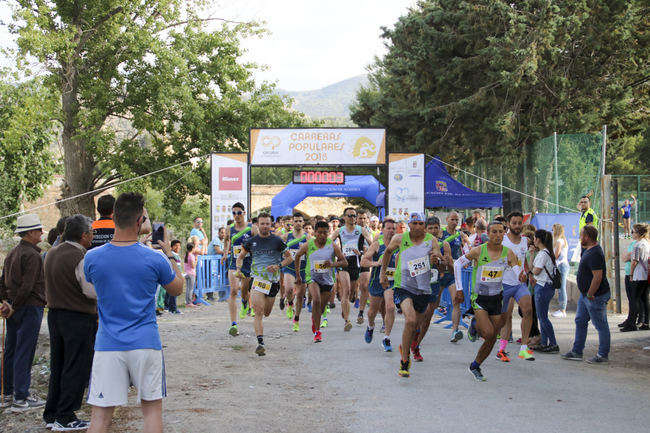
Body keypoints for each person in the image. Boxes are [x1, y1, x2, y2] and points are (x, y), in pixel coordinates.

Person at [84, 192, 183, 433]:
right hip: (145, 343)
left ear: (114, 217)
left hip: (108, 344)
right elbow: (177, 288)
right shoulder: (155, 258)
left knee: (99, 417)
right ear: (140, 221)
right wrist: (169, 253)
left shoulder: (92, 257)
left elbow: (91, 285)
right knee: (151, 412)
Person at [43, 215, 97, 430]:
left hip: (55, 314)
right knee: (76, 366)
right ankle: (66, 415)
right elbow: (89, 290)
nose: (93, 236)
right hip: (77, 316)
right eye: (91, 232)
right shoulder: (80, 256)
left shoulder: (52, 253)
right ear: (84, 235)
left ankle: (52, 413)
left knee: (58, 365)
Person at [454, 221, 520, 381]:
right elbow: (457, 264)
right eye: (494, 232)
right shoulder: (478, 251)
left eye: (500, 232)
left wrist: (521, 275)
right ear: (488, 234)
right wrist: (459, 289)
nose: (498, 235)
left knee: (492, 336)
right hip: (479, 298)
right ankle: (476, 324)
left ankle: (475, 365)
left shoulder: (508, 253)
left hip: (497, 298)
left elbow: (517, 268)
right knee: (490, 333)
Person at [380, 212, 441, 378]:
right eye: (415, 223)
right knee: (411, 319)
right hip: (404, 286)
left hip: (423, 288)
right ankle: (404, 361)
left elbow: (439, 258)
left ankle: (406, 346)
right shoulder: (400, 239)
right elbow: (387, 253)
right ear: (409, 225)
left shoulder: (431, 240)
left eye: (421, 224)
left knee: (416, 325)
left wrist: (437, 259)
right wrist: (382, 273)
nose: (418, 227)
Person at [0, 214, 47, 411]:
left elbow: (2, 280)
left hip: (14, 305)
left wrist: (5, 303)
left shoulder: (13, 253)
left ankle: (8, 393)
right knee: (24, 351)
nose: (41, 233)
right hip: (28, 306)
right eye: (38, 230)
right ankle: (21, 396)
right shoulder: (32, 255)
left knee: (11, 350)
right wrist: (15, 306)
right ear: (29, 233)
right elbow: (28, 287)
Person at [236, 213, 292, 356]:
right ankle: (260, 342)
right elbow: (240, 257)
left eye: (267, 224)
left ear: (271, 225)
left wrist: (278, 266)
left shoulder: (277, 241)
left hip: (272, 282)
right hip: (258, 280)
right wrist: (238, 269)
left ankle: (261, 339)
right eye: (262, 223)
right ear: (258, 225)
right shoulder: (251, 242)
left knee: (266, 312)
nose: (265, 226)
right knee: (258, 312)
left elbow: (290, 258)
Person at [561, 226, 611, 364]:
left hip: (594, 296)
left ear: (587, 237)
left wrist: (590, 293)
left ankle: (602, 355)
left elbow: (598, 277)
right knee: (580, 321)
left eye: (581, 235)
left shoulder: (594, 253)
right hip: (586, 295)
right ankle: (577, 351)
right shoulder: (589, 250)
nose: (579, 237)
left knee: (601, 324)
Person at [294, 221, 347, 342]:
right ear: (315, 233)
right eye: (319, 233)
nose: (322, 235)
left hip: (327, 280)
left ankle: (315, 318)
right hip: (312, 277)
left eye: (325, 233)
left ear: (328, 233)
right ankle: (318, 332)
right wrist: (298, 275)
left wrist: (333, 264)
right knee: (316, 300)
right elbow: (297, 256)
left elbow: (344, 262)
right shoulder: (308, 245)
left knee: (321, 308)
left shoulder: (332, 245)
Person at [409, 216, 450, 361]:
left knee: (427, 318)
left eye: (436, 228)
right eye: (430, 228)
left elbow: (446, 267)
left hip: (434, 284)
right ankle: (410, 341)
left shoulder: (444, 245)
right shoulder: (418, 244)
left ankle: (416, 345)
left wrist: (441, 261)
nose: (433, 231)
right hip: (417, 285)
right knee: (417, 318)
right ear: (425, 229)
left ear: (440, 229)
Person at [497, 211, 535, 362]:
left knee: (528, 309)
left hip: (520, 284)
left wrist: (528, 274)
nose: (518, 226)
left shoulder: (525, 241)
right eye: (514, 223)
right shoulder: (502, 240)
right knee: (505, 317)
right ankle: (501, 349)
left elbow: (524, 262)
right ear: (508, 224)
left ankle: (524, 348)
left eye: (520, 223)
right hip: (504, 283)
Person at [331, 207, 373, 332]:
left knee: (354, 293)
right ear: (344, 218)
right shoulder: (340, 231)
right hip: (344, 263)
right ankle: (347, 321)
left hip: (357, 262)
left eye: (354, 216)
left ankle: (359, 311)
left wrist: (363, 252)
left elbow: (372, 244)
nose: (353, 218)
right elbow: (328, 242)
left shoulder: (361, 230)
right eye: (350, 216)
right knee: (346, 290)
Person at [361, 218, 399, 352]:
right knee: (372, 312)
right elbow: (363, 262)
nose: (391, 231)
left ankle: (386, 338)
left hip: (392, 281)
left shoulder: (399, 244)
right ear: (382, 230)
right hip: (377, 281)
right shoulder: (377, 244)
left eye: (393, 228)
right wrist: (377, 263)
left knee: (390, 307)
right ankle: (370, 327)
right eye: (388, 228)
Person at [223, 202, 258, 336]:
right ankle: (233, 324)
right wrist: (226, 253)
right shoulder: (229, 228)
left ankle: (245, 302)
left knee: (244, 291)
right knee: (233, 290)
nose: (236, 215)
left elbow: (259, 243)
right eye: (234, 213)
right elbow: (226, 240)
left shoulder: (252, 228)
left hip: (248, 262)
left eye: (239, 213)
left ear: (244, 213)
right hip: (234, 262)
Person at [440, 212, 468, 343]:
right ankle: (420, 327)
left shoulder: (460, 235)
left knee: (456, 300)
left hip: (453, 273)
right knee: (432, 304)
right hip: (440, 272)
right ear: (447, 220)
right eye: (452, 219)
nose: (455, 222)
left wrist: (465, 259)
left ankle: (455, 331)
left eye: (457, 220)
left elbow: (467, 247)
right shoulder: (441, 233)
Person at [530, 229, 560, 353]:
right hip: (546, 287)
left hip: (542, 287)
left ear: (538, 239)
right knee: (542, 316)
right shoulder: (546, 252)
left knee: (543, 317)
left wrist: (529, 272)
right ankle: (544, 342)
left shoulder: (543, 254)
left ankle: (552, 343)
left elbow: (535, 270)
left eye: (535, 238)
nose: (533, 241)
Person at [281, 213, 309, 331]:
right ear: (292, 222)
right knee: (288, 289)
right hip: (289, 268)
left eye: (300, 221)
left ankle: (296, 319)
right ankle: (290, 303)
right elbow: (279, 248)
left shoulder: (307, 237)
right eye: (296, 221)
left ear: (303, 223)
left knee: (300, 296)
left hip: (302, 269)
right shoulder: (286, 236)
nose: (298, 223)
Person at [620, 224, 649, 332]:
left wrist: (631, 274)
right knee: (644, 299)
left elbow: (634, 261)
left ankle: (631, 324)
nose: (632, 234)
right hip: (646, 275)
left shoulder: (638, 245)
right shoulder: (646, 243)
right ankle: (646, 322)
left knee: (634, 300)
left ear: (638, 234)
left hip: (638, 275)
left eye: (633, 232)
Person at [356, 209, 373, 324]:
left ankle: (361, 312)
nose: (362, 220)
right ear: (356, 219)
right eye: (360, 218)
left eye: (364, 218)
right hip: (351, 260)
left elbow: (372, 244)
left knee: (364, 285)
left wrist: (367, 250)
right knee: (352, 289)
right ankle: (352, 297)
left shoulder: (368, 231)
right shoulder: (350, 230)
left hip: (364, 259)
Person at [552, 223, 570, 317]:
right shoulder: (563, 240)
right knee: (560, 287)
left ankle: (563, 310)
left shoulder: (559, 241)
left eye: (553, 230)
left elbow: (556, 254)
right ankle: (562, 308)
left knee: (561, 287)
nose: (552, 231)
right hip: (562, 265)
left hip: (561, 265)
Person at [165, 240, 183, 314]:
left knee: (170, 293)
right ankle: (172, 308)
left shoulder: (177, 255)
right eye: (175, 245)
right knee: (173, 293)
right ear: (171, 247)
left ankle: (168, 307)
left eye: (179, 246)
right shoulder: (171, 255)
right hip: (173, 275)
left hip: (177, 275)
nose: (177, 247)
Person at [183, 242, 198, 308]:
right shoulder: (191, 256)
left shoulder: (186, 255)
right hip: (191, 274)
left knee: (188, 289)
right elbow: (193, 266)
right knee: (191, 289)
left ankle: (187, 302)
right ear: (192, 248)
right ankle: (189, 302)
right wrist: (196, 260)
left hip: (187, 273)